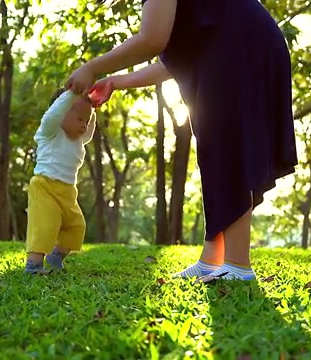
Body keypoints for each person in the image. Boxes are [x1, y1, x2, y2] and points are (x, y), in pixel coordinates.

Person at [65, 0, 298, 282]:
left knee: (226, 146)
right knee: (215, 146)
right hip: (239, 43)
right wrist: (115, 81)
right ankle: (212, 259)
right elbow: (174, 61)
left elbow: (152, 40)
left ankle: (237, 265)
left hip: (240, 45)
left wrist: (92, 67)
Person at [25, 88, 96, 274]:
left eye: (86, 121)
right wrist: (72, 94)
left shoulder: (79, 140)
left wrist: (93, 106)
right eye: (80, 119)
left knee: (77, 226)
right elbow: (54, 113)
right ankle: (33, 265)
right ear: (62, 114)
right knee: (45, 225)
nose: (84, 125)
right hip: (45, 186)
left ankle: (56, 256)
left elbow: (89, 130)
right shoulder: (50, 131)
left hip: (68, 191)